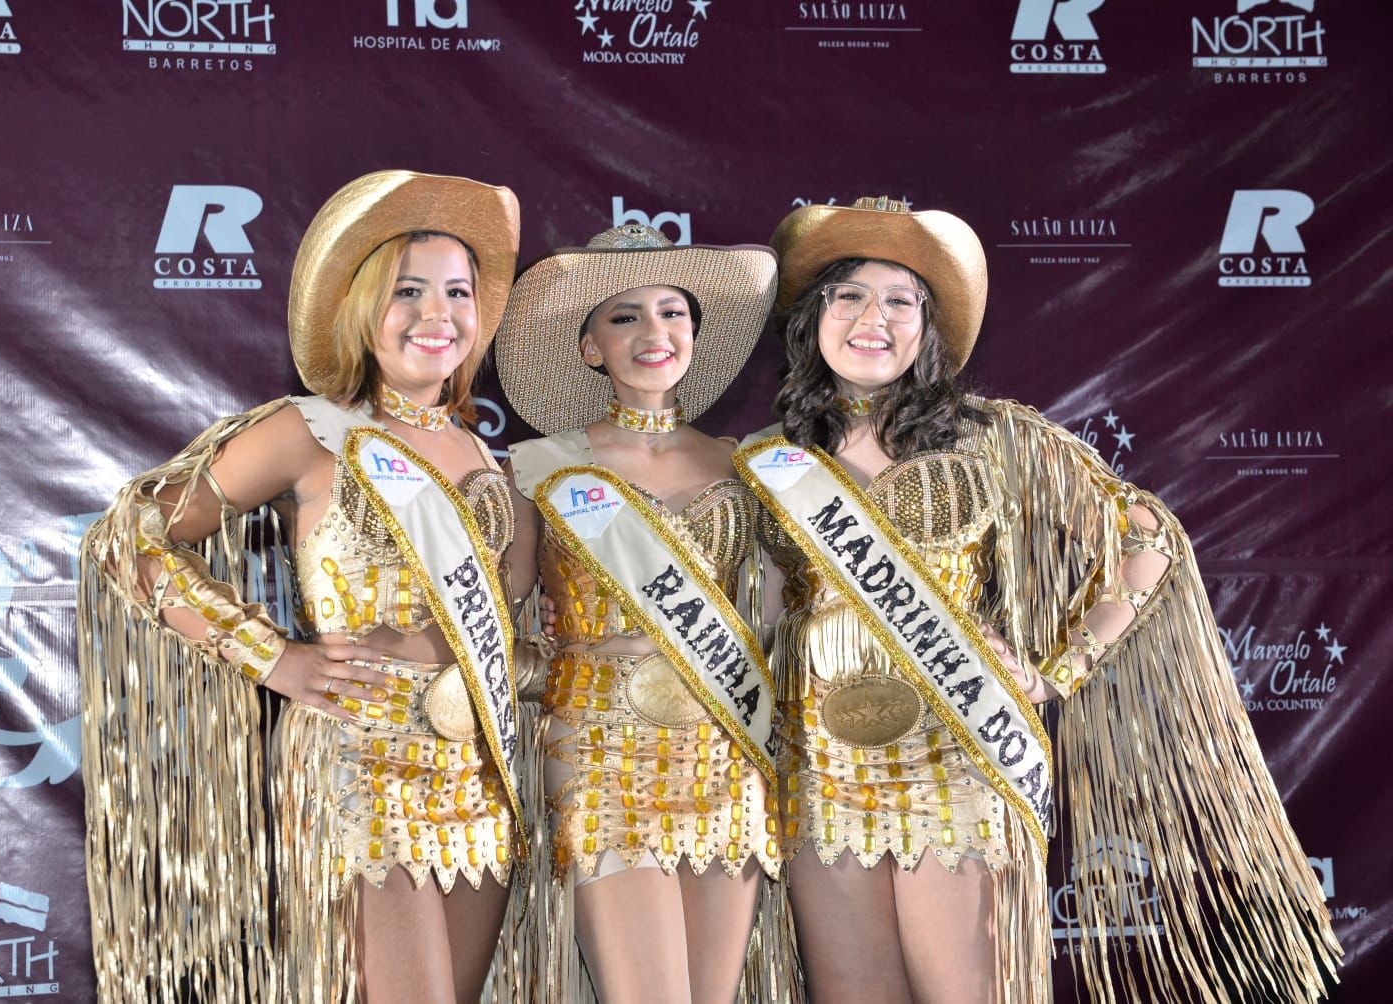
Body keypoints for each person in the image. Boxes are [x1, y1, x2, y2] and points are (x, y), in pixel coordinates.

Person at [733, 196, 1340, 1003]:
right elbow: (767, 618)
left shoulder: (990, 438)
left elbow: (1148, 537)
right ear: (814, 317)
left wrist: (1057, 670)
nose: (871, 318)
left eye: (900, 300)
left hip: (957, 756)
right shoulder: (768, 463)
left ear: (929, 328)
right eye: (849, 295)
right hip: (820, 770)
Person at [78, 170, 529, 1004]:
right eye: (409, 291)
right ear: (362, 306)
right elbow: (131, 537)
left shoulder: (488, 459)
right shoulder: (311, 426)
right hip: (356, 756)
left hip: (476, 768)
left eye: (460, 292)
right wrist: (271, 656)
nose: (440, 314)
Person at [493, 225, 794, 1004]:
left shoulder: (747, 464)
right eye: (624, 317)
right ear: (591, 347)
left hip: (726, 743)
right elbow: (497, 617)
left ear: (694, 333)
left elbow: (771, 613)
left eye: (672, 312)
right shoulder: (539, 465)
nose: (654, 332)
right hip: (597, 746)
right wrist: (559, 674)